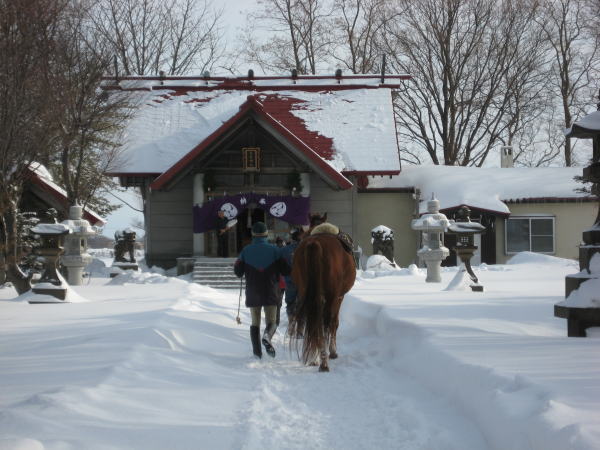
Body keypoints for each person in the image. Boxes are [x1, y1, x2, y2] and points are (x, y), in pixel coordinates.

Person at [234, 222, 291, 359]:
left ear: (253, 235)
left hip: (253, 291)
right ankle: (267, 336)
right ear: (266, 234)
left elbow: (238, 272)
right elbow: (286, 270)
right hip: (271, 290)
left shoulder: (246, 251)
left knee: (255, 322)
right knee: (272, 321)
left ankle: (257, 353)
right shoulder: (275, 250)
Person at [279, 229, 302, 323]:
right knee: (302, 303)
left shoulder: (284, 250)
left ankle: (291, 323)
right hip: (303, 281)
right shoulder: (306, 248)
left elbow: (279, 264)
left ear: (292, 238)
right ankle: (300, 327)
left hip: (289, 280)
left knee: (290, 303)